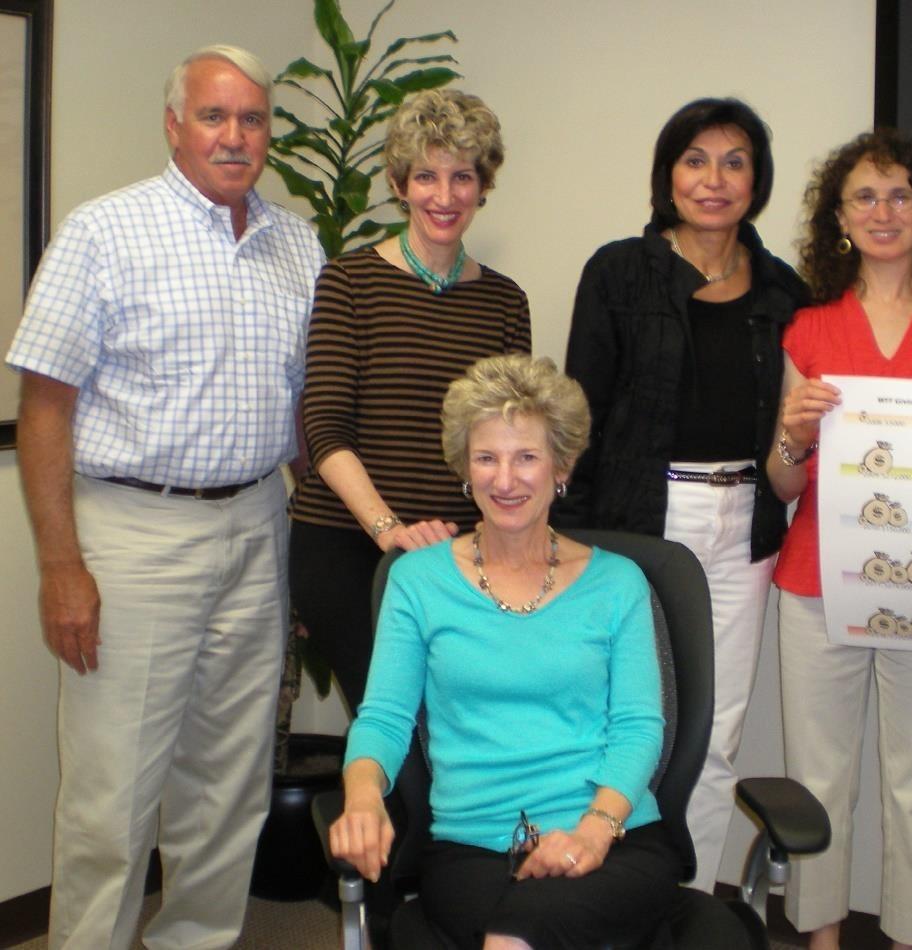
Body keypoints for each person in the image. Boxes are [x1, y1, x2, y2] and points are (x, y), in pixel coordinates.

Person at [5, 46, 325, 949]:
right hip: (135, 533)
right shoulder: (105, 231)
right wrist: (62, 565)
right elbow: (45, 406)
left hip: (259, 523)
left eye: (253, 119)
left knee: (227, 787)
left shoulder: (297, 243)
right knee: (113, 799)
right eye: (214, 116)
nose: (235, 136)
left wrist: (325, 546)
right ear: (174, 125)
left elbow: (305, 411)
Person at [330, 354, 680, 949]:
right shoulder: (418, 581)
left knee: (515, 939)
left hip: (609, 837)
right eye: (486, 457)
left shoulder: (618, 583)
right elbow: (385, 717)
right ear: (465, 467)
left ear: (562, 466)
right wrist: (362, 797)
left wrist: (594, 832)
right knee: (515, 934)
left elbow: (638, 726)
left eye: (527, 457)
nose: (505, 480)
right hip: (473, 846)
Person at [559, 97, 807, 892]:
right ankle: (604, 894)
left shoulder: (781, 288)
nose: (714, 179)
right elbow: (578, 416)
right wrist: (566, 536)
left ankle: (683, 902)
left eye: (735, 161)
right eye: (695, 159)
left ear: (757, 180)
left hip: (744, 523)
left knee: (713, 727)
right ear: (668, 174)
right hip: (637, 521)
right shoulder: (618, 272)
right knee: (620, 717)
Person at [768, 129, 912, 950]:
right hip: (816, 583)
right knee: (819, 781)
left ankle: (911, 940)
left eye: (901, 194)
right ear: (839, 216)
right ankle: (821, 938)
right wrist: (794, 436)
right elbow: (785, 482)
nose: (883, 211)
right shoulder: (807, 329)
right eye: (864, 196)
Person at [289, 88, 531, 714]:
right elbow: (323, 426)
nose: (444, 197)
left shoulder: (505, 302)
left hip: (458, 552)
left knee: (454, 733)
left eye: (462, 177)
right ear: (399, 184)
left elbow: (509, 442)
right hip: (347, 545)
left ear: (484, 186)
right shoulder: (349, 280)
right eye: (426, 176)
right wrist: (388, 530)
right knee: (395, 724)